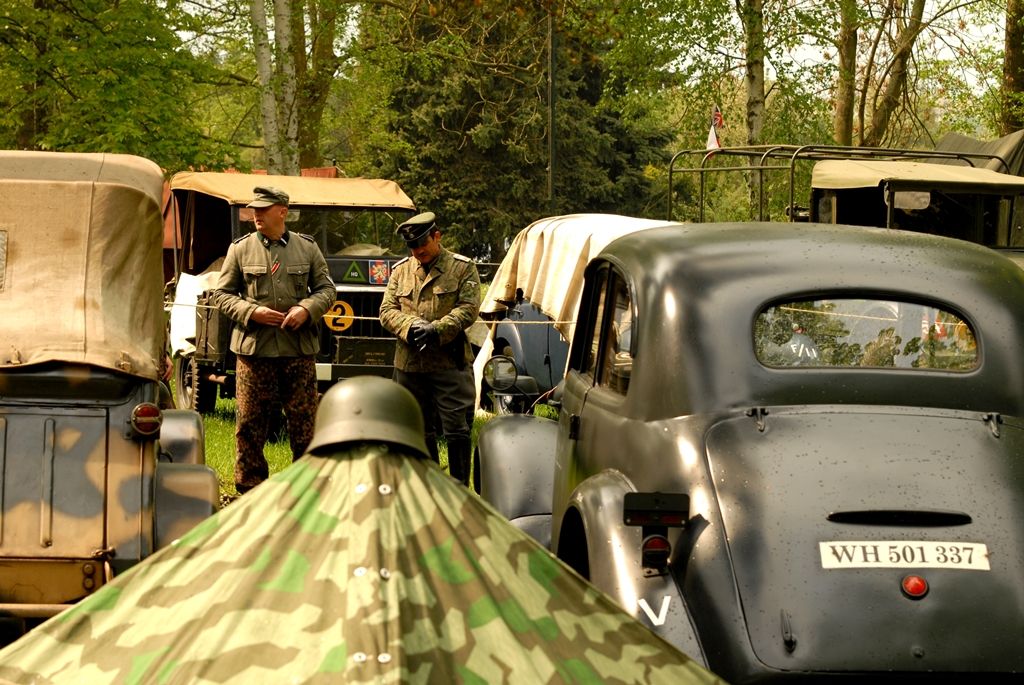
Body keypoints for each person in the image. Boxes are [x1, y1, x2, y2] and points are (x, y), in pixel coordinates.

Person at [211, 186, 336, 494]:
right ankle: (249, 489)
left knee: (304, 424)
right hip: (255, 351)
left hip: (298, 351)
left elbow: (327, 290)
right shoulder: (240, 249)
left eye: (263, 209)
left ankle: (306, 487)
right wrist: (252, 312)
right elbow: (222, 295)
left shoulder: (307, 248)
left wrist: (306, 309)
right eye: (254, 209)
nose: (256, 214)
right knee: (250, 424)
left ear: (282, 211)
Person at [379, 211, 480, 486]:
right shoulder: (401, 270)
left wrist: (437, 329)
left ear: (437, 236)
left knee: (457, 429)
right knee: (416, 429)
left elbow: (469, 308)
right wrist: (410, 325)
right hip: (410, 365)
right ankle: (427, 487)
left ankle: (459, 488)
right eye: (412, 246)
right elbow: (386, 310)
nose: (418, 251)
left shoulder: (462, 268)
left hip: (449, 362)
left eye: (423, 243)